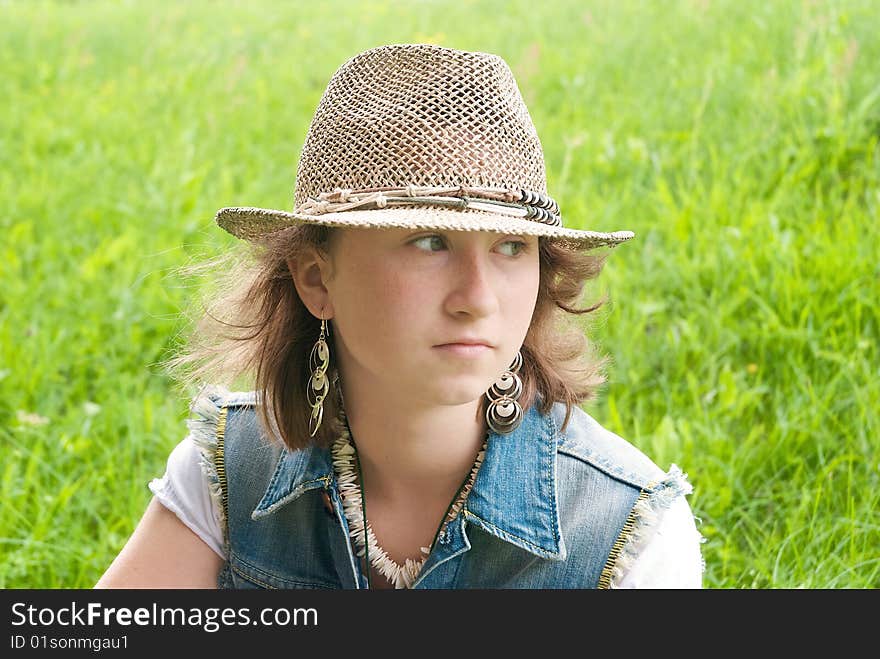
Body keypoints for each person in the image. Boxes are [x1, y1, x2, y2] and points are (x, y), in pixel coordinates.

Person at [96, 43, 703, 589]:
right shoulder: (234, 469)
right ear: (316, 279)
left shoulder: (624, 535)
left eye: (511, 248)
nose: (479, 297)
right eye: (431, 242)